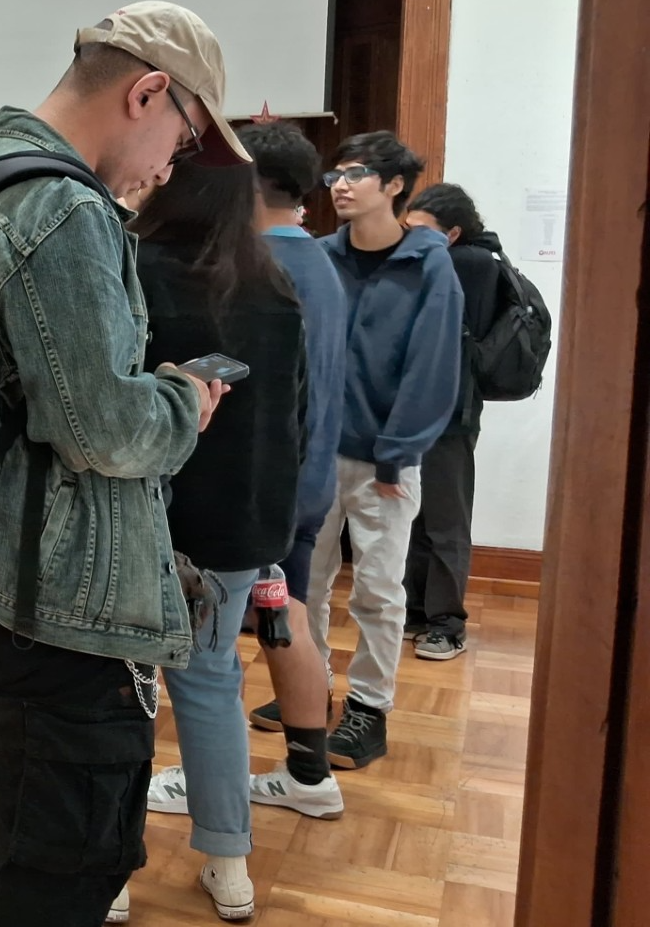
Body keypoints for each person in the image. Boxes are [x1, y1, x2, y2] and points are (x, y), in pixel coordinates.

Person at [0, 2, 241, 927]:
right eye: (184, 138)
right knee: (60, 865)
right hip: (54, 603)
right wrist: (184, 400)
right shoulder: (63, 210)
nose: (171, 166)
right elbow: (105, 434)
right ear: (147, 92)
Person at [126, 160, 307, 920]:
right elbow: (294, 414)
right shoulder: (272, 287)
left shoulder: (135, 271)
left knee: (118, 692)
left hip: (140, 519)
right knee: (211, 686)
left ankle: (109, 872)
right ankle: (230, 866)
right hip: (239, 524)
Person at [308, 132, 462, 769]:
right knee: (304, 583)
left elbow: (433, 368)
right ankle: (308, 688)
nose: (341, 185)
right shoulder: (321, 257)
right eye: (335, 175)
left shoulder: (430, 266)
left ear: (395, 185)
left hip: (384, 460)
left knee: (376, 588)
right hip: (315, 454)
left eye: (357, 173)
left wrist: (398, 451)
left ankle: (368, 709)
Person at [233, 122, 348, 821]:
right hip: (307, 482)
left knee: (214, 642)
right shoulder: (320, 261)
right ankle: (309, 774)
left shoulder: (255, 267)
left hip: (256, 488)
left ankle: (212, 784)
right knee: (287, 615)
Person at [401, 183, 503, 660]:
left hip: (452, 415)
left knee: (445, 521)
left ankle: (447, 624)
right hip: (423, 409)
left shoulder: (473, 265)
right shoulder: (450, 260)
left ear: (453, 233)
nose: (408, 239)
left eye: (420, 231)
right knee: (418, 516)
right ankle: (418, 611)